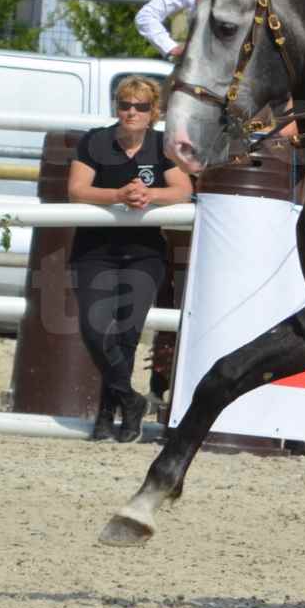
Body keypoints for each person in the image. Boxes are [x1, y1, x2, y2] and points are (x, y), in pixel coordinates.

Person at [68, 76, 193, 442]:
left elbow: (183, 191)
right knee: (94, 330)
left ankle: (108, 414)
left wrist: (148, 194)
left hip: (144, 254)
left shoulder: (161, 145)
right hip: (94, 251)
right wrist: (119, 195)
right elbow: (77, 190)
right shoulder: (95, 140)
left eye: (140, 106)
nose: (131, 112)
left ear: (154, 112)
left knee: (126, 335)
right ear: (116, 107)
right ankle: (130, 400)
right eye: (125, 105)